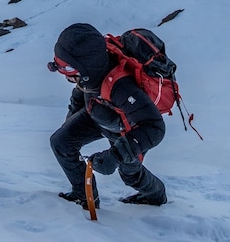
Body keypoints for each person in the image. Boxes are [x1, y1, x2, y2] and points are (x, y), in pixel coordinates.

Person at [48, 23, 167, 207]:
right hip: (98, 116)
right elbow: (80, 93)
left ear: (85, 69)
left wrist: (116, 155)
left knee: (130, 174)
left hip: (127, 131)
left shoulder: (122, 87)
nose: (66, 76)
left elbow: (154, 126)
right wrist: (70, 123)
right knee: (61, 143)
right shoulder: (90, 76)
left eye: (68, 70)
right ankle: (83, 195)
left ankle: (156, 195)